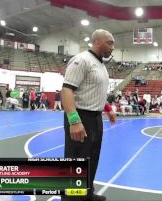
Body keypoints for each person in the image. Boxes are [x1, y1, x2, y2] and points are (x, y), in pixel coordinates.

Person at [61, 29, 117, 201]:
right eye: (110, 43)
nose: (112, 48)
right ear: (97, 42)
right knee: (77, 162)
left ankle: (87, 194)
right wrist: (74, 120)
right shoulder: (82, 60)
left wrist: (107, 108)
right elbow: (67, 89)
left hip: (95, 118)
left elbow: (94, 91)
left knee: (92, 159)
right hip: (81, 117)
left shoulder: (100, 64)